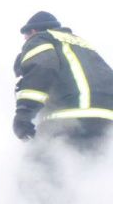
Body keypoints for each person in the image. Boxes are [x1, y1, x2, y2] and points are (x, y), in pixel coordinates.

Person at [13, 11, 113, 148]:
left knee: (36, 165)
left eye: (26, 35)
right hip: (108, 123)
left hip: (71, 117)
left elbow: (42, 68)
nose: (25, 39)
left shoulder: (40, 39)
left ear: (33, 31)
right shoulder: (82, 45)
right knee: (89, 166)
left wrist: (23, 114)